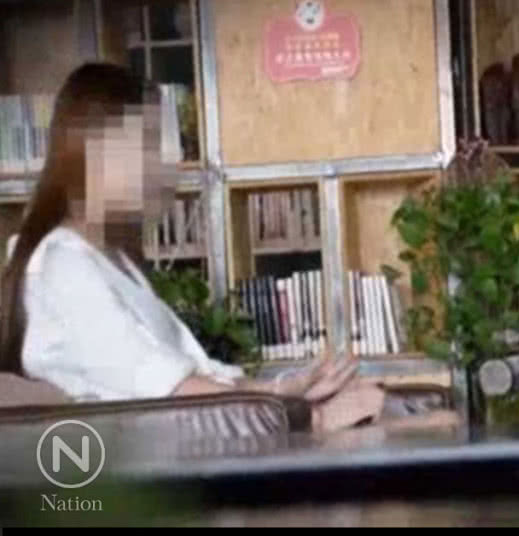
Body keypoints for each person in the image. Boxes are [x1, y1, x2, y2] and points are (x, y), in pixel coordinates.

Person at [0, 63, 392, 433]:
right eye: (146, 145)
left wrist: (288, 390)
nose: (160, 165)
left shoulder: (113, 260)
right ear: (93, 152)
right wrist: (308, 417)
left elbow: (190, 375)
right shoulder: (61, 265)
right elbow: (163, 387)